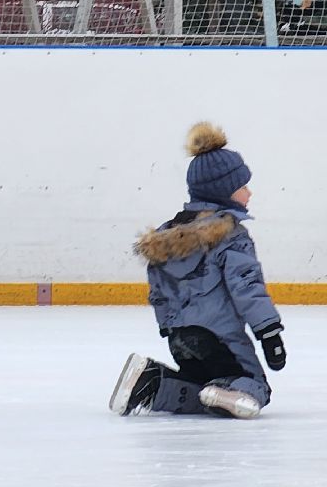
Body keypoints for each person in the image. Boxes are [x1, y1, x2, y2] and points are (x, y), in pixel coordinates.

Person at [109, 122, 288, 420]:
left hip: (180, 337)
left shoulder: (167, 235)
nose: (249, 193)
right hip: (220, 335)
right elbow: (247, 286)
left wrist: (167, 326)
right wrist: (269, 332)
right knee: (254, 384)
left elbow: (158, 289)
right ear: (224, 191)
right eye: (242, 187)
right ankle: (229, 389)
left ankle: (152, 384)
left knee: (196, 384)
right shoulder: (231, 236)